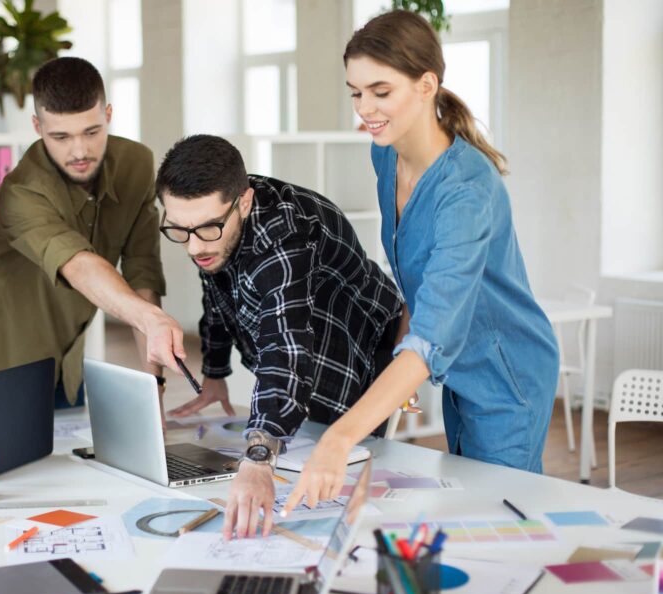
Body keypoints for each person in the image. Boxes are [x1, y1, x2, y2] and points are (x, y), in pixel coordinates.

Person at [285, 10, 560, 513]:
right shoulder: (385, 155)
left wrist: (340, 438)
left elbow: (434, 335)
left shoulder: (467, 190)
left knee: (499, 514)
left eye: (380, 91)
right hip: (457, 367)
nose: (364, 109)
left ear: (426, 84)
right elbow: (418, 276)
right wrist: (400, 364)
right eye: (355, 92)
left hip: (506, 375)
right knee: (467, 501)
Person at [157, 135, 403, 539]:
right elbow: (216, 288)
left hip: (356, 359)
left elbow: (285, 348)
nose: (194, 246)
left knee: (339, 506)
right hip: (301, 360)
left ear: (245, 202)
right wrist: (215, 372)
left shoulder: (287, 232)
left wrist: (257, 459)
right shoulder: (212, 222)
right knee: (292, 473)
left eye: (207, 229)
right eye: (179, 230)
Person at [0, 57, 183, 418]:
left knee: (66, 468)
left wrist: (155, 392)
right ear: (38, 126)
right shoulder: (20, 190)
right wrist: (149, 320)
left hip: (65, 351)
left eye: (91, 131)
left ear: (108, 114)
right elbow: (77, 264)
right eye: (61, 137)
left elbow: (142, 273)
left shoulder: (136, 165)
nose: (79, 151)